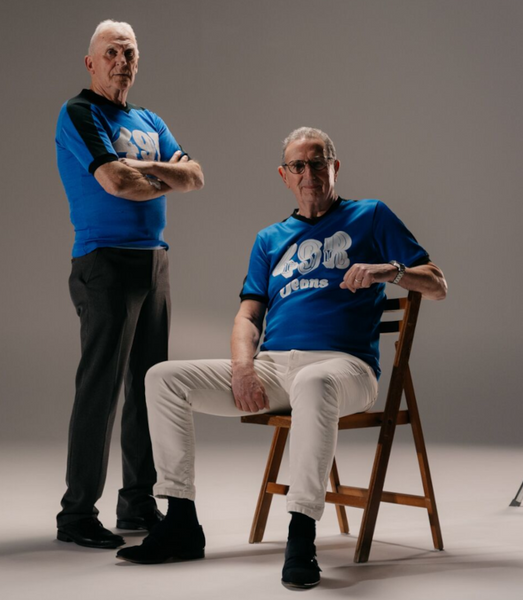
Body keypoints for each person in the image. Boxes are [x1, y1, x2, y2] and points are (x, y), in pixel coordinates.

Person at [116, 127, 447, 589]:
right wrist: (243, 366)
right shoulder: (270, 239)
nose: (309, 173)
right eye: (298, 165)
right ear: (284, 175)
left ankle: (301, 533)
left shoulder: (371, 216)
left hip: (345, 367)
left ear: (335, 167)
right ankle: (180, 522)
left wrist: (389, 271)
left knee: (313, 383)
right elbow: (248, 316)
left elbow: (437, 284)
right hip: (274, 367)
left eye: (318, 162)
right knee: (162, 377)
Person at [53, 20, 205, 549]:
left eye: (130, 53)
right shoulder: (79, 112)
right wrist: (162, 173)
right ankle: (76, 514)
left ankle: (137, 502)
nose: (122, 61)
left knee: (149, 386)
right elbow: (114, 181)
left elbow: (196, 175)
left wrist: (138, 167)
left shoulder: (150, 119)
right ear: (91, 62)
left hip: (154, 262)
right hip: (104, 261)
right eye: (112, 52)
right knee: (100, 388)